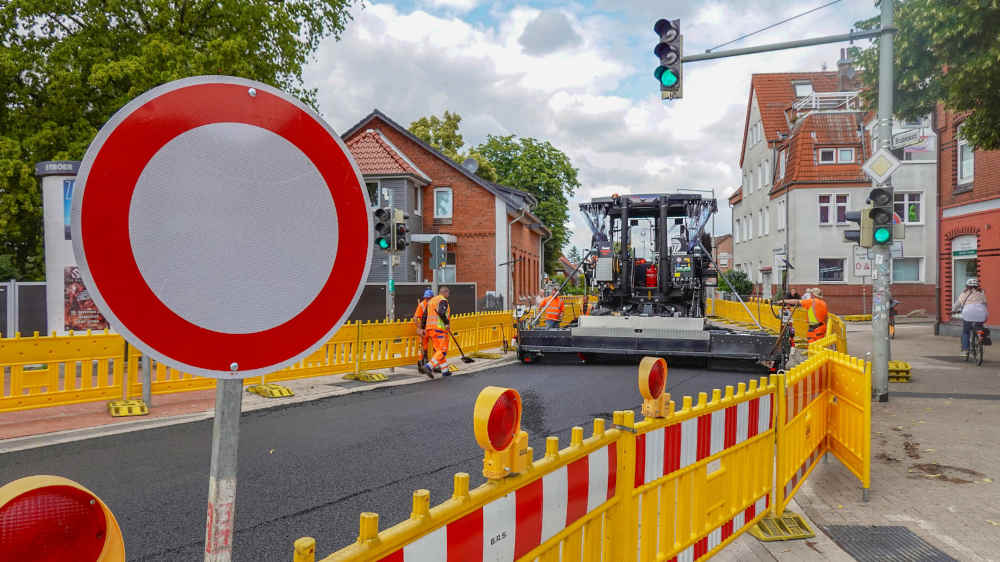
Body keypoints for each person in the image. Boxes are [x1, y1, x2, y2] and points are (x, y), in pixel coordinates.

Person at [952, 278, 988, 358]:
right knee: (980, 326)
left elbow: (957, 304)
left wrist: (953, 310)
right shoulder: (982, 293)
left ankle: (965, 350)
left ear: (967, 286)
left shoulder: (964, 294)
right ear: (977, 286)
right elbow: (985, 304)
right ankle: (980, 336)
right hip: (981, 313)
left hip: (968, 314)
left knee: (966, 332)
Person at [422, 286, 452, 375]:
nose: (448, 295)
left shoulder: (431, 301)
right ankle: (429, 366)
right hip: (440, 329)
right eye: (448, 293)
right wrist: (446, 323)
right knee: (443, 351)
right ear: (445, 292)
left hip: (430, 330)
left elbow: (424, 315)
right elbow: (441, 313)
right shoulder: (443, 300)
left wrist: (423, 328)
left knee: (439, 351)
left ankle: (445, 371)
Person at [413, 289, 433, 375]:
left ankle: (430, 364)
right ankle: (421, 364)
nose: (427, 299)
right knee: (423, 347)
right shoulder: (422, 305)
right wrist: (419, 328)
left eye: (429, 298)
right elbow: (415, 318)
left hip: (431, 328)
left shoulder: (434, 304)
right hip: (424, 329)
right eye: (426, 298)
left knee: (435, 346)